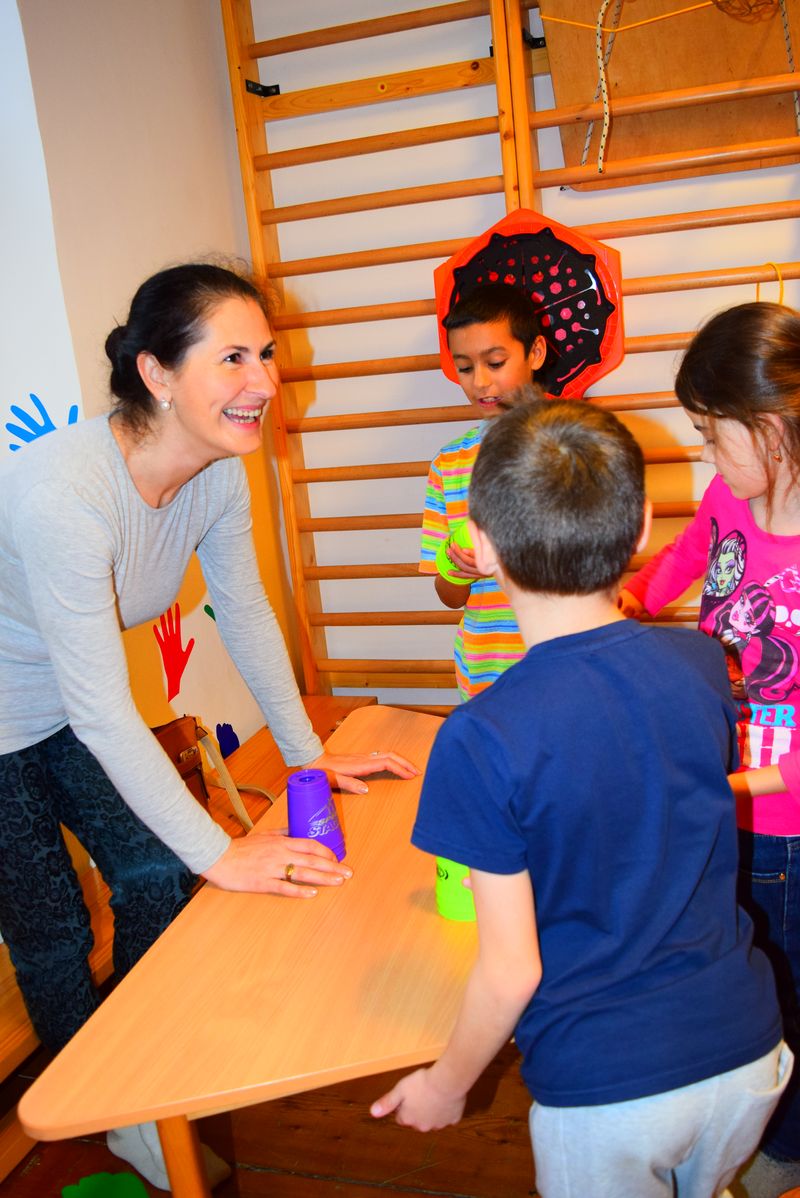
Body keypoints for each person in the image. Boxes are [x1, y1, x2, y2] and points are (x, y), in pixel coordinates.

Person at [0, 261, 417, 1188]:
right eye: (233, 358)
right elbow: (105, 711)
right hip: (15, 716)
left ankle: (147, 1070)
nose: (263, 380)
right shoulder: (65, 495)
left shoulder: (218, 472)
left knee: (153, 870)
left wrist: (310, 759)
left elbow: (248, 612)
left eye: (265, 354)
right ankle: (103, 1101)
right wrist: (222, 853)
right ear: (156, 373)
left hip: (64, 700)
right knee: (53, 930)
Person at [371, 398, 791, 1198]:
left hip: (612, 1089)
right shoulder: (702, 663)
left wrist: (447, 1084)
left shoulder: (479, 736)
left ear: (480, 546)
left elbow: (510, 972)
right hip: (747, 1050)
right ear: (641, 533)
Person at [618, 301, 800, 1198]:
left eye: (709, 434)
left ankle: (788, 1148)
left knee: (788, 984)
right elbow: (692, 553)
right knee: (740, 968)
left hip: (784, 817)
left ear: (770, 427)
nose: (704, 455)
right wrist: (635, 598)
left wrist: (742, 783)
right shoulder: (733, 494)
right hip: (729, 787)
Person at [419, 282, 546, 700]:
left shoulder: (574, 443)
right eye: (465, 367)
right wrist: (458, 567)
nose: (480, 382)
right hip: (484, 674)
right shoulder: (449, 464)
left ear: (535, 353)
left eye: (495, 362)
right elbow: (448, 596)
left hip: (563, 665)